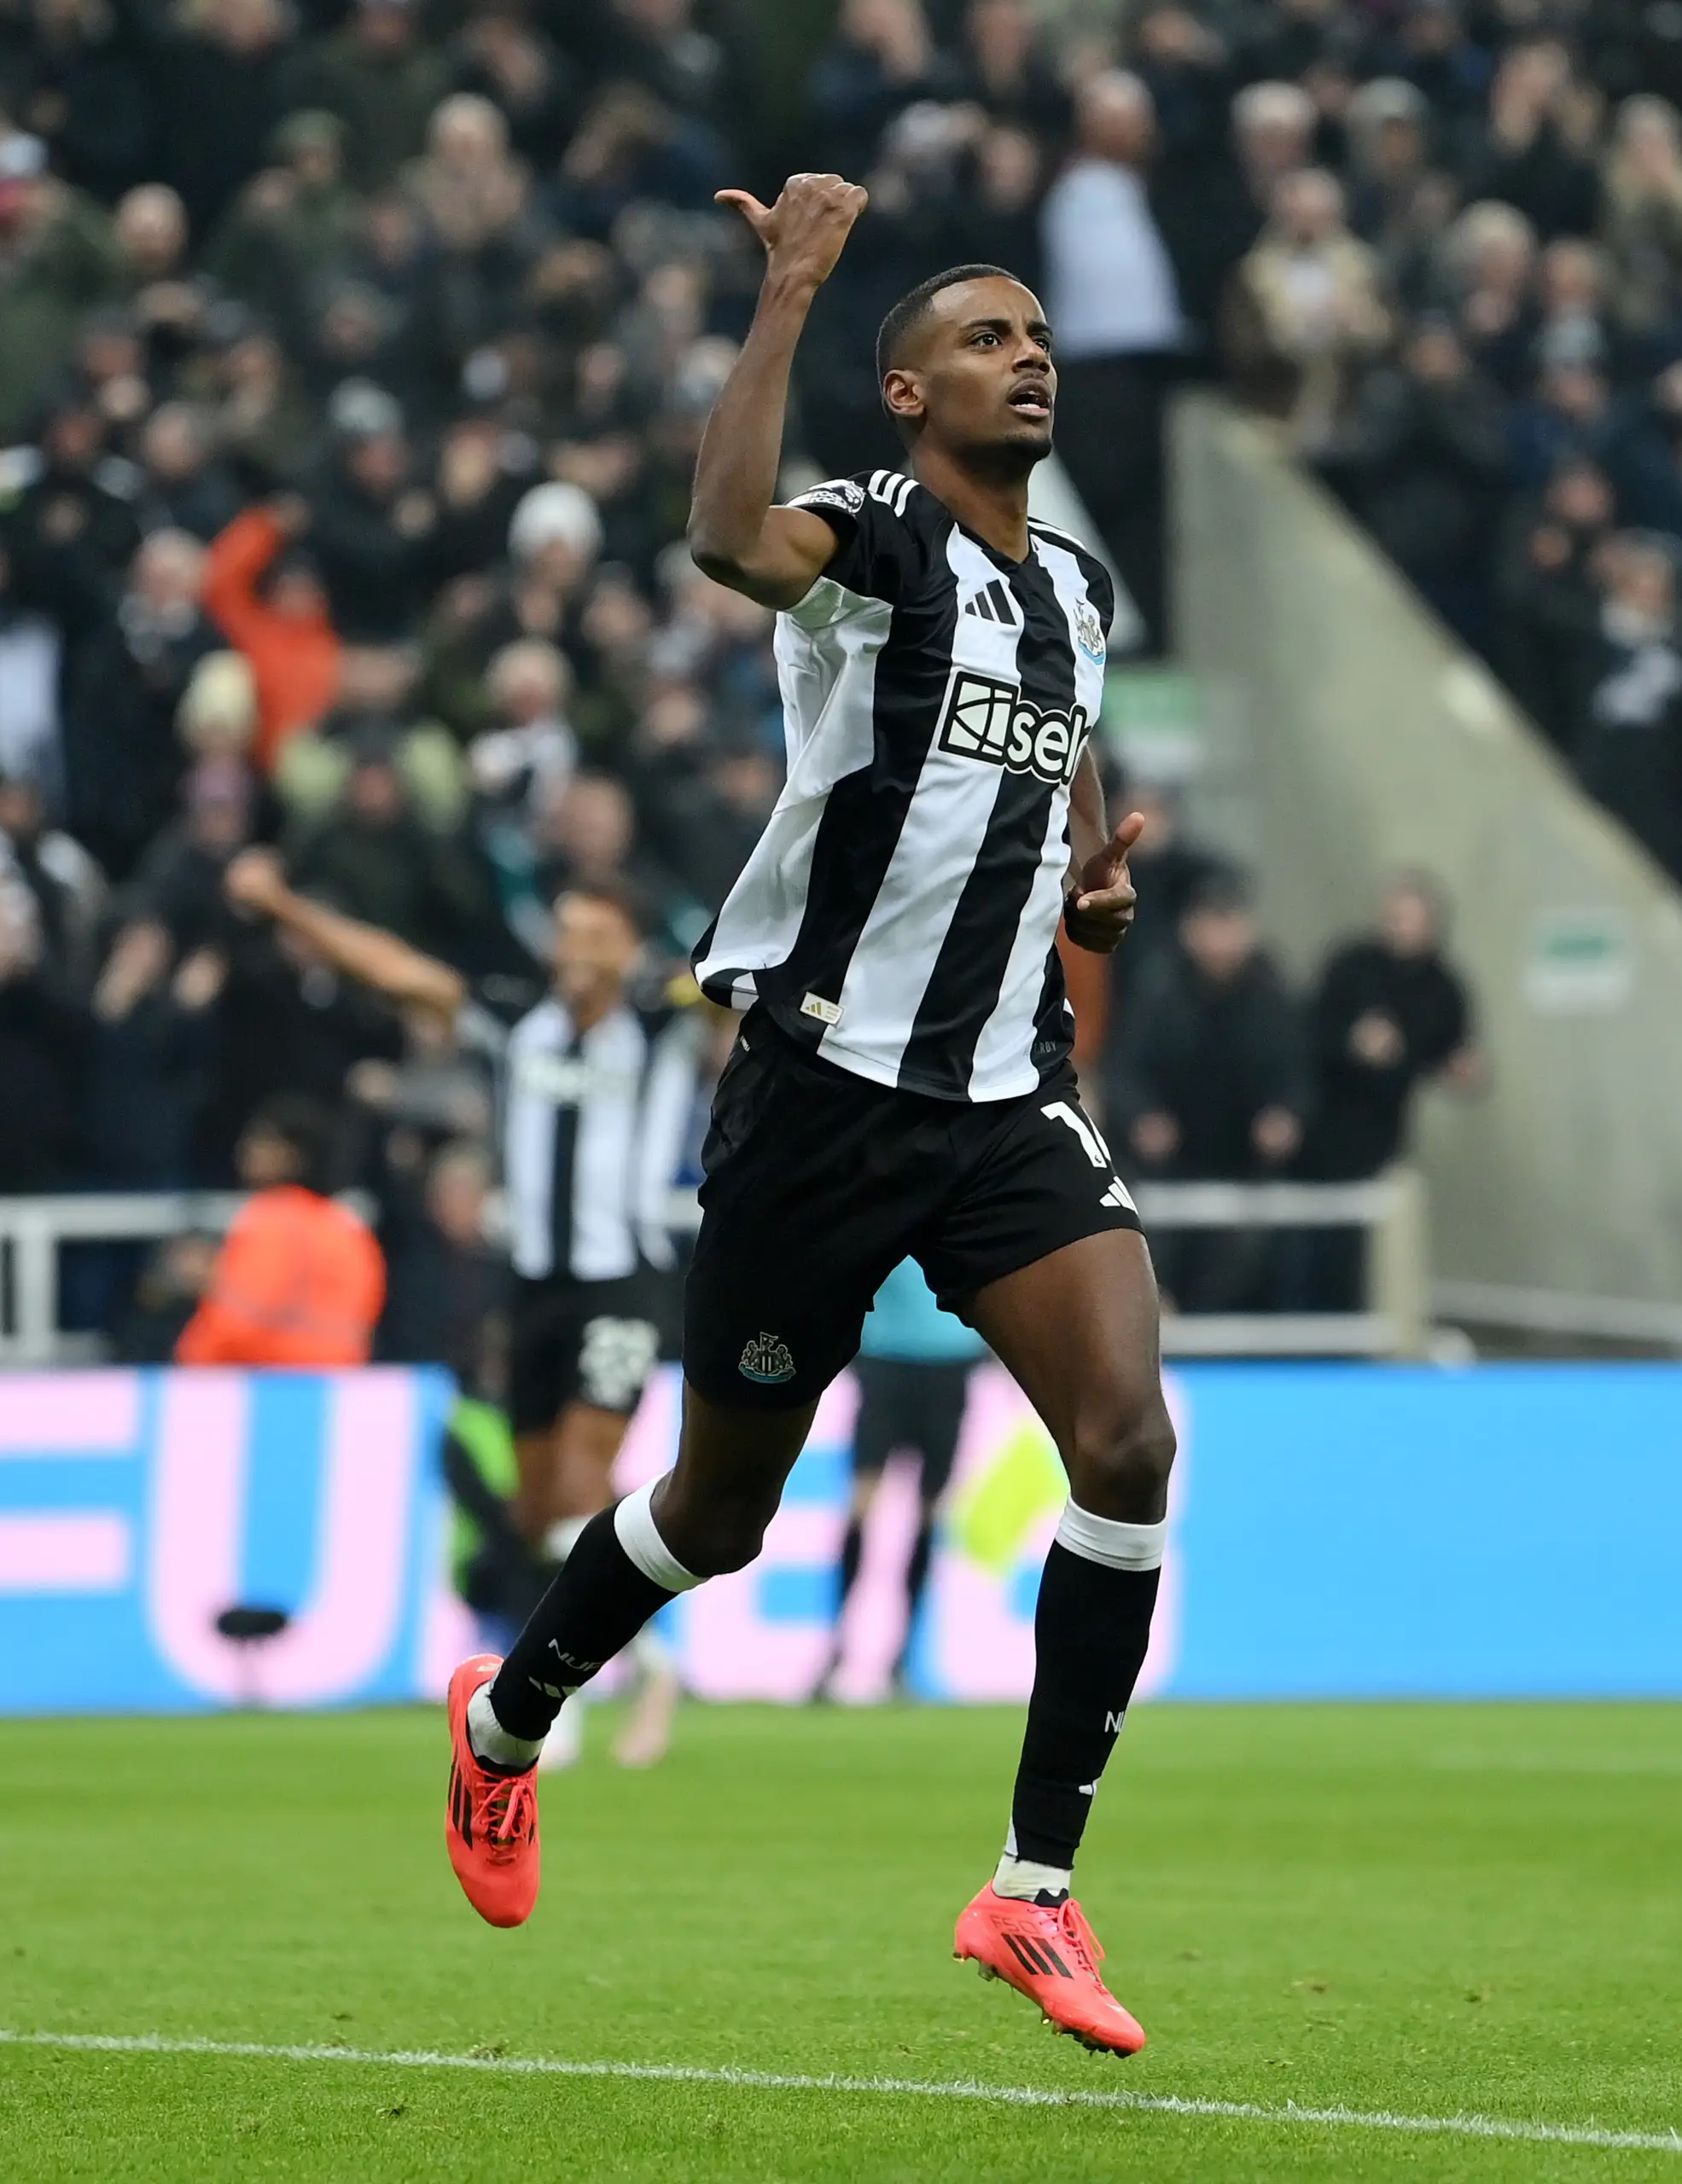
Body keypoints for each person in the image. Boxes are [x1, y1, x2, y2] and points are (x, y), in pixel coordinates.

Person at [438, 177, 1175, 2059]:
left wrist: (1089, 892)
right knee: (720, 1510)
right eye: (987, 340)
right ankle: (507, 1723)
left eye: (1039, 335)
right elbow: (722, 535)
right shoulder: (880, 537)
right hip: (823, 1095)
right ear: (909, 394)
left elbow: (1062, 769)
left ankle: (1032, 1889)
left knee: (1128, 1438)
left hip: (1004, 1093)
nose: (1031, 358)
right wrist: (787, 292)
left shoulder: (1078, 592)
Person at [222, 853, 698, 1761]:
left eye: (596, 936)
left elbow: (758, 986)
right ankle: (639, 1661)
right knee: (533, 1510)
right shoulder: (515, 1021)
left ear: (629, 948)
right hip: (533, 1287)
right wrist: (285, 903)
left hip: (623, 1284)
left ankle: (571, 1696)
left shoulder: (662, 1021)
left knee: (580, 1482)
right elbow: (395, 970)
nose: (575, 951)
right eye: (567, 934)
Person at [814, 1258, 987, 1705]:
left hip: (946, 1360)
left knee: (928, 1512)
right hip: (888, 1358)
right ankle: (838, 1648)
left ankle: (900, 1657)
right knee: (864, 1505)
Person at [172, 1094, 386, 1367]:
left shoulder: (273, 1218)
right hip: (335, 1381)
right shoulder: (347, 1229)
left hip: (265, 1380)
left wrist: (193, 1356)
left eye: (263, 1139)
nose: (248, 1149)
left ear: (293, 1155)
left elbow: (236, 1321)